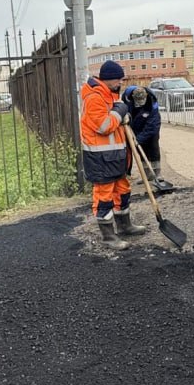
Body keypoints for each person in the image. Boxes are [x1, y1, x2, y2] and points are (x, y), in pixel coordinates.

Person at [80, 60, 146, 250]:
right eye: (118, 79)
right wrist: (120, 111)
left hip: (115, 156)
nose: (120, 83)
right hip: (101, 159)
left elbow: (118, 120)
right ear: (108, 79)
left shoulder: (109, 95)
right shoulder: (94, 98)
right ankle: (109, 237)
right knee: (104, 196)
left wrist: (124, 114)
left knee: (122, 190)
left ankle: (125, 226)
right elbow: (104, 126)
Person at [122, 85, 171, 191]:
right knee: (141, 152)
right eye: (138, 100)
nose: (140, 103)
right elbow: (123, 108)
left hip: (151, 129)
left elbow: (151, 127)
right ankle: (147, 175)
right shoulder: (127, 97)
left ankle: (157, 174)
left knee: (153, 148)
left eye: (142, 100)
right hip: (135, 127)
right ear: (133, 98)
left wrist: (139, 139)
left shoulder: (152, 105)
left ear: (146, 96)